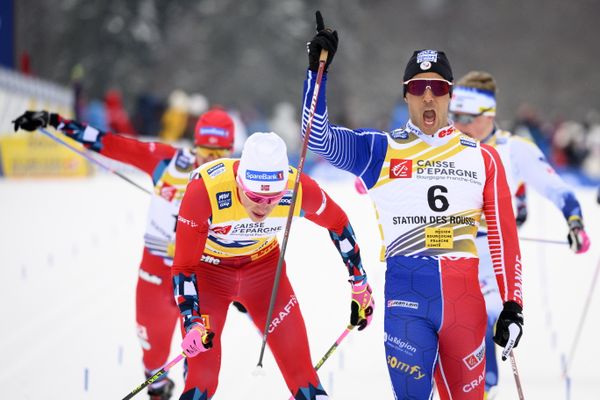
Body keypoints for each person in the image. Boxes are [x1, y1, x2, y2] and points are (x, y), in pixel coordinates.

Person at [302, 12, 524, 400]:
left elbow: (504, 238)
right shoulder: (379, 150)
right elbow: (314, 138)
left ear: (450, 96)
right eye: (418, 86)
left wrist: (512, 305)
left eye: (437, 88)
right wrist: (316, 76)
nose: (427, 96)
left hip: (465, 305)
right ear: (405, 93)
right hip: (407, 301)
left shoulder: (483, 159)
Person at [13, 107, 236, 400]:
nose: (211, 161)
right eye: (206, 152)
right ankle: (158, 389)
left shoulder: (238, 179)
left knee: (198, 369)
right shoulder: (168, 163)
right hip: (156, 274)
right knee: (153, 362)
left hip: (201, 279)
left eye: (220, 154)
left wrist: (239, 284)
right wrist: (54, 122)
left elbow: (255, 232)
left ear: (231, 150)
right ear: (195, 146)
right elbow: (109, 143)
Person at [171, 131, 374, 400]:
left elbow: (338, 223)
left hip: (264, 275)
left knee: (304, 378)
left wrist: (359, 282)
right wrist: (192, 320)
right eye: (254, 196)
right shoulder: (205, 190)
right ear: (239, 183)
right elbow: (184, 267)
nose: (263, 207)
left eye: (273, 199)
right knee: (202, 381)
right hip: (210, 274)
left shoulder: (297, 187)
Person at [449, 70, 591, 397]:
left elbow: (559, 190)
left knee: (480, 319)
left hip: (492, 251)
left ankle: (486, 388)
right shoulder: (445, 147)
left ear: (489, 115)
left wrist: (574, 222)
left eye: (468, 117)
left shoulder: (515, 149)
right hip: (449, 248)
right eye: (454, 115)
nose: (459, 124)